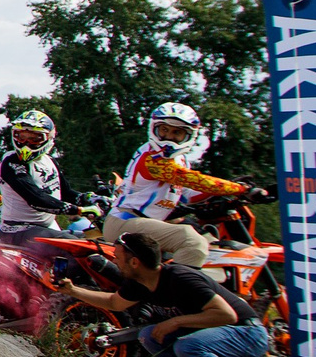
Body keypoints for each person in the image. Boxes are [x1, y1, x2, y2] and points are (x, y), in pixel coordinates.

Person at [62, 232, 270, 357]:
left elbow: (226, 315)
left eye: (117, 256)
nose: (114, 261)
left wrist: (176, 321)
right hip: (218, 330)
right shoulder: (141, 283)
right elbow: (114, 303)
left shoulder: (181, 278)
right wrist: (73, 290)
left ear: (134, 262)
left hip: (248, 333)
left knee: (187, 346)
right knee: (149, 336)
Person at [104, 101, 265, 273]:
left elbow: (188, 194)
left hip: (139, 223)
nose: (169, 137)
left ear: (189, 135)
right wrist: (240, 189)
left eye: (177, 132)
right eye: (164, 130)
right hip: (126, 221)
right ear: (154, 128)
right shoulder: (153, 158)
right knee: (192, 241)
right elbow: (191, 179)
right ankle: (176, 293)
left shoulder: (178, 160)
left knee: (205, 237)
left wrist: (226, 191)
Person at [0, 109, 72, 240]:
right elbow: (35, 198)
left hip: (44, 227)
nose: (26, 143)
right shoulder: (11, 161)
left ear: (49, 138)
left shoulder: (50, 161)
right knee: (81, 250)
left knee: (90, 241)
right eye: (21, 137)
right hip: (17, 230)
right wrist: (78, 210)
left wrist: (90, 199)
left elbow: (66, 193)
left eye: (34, 138)